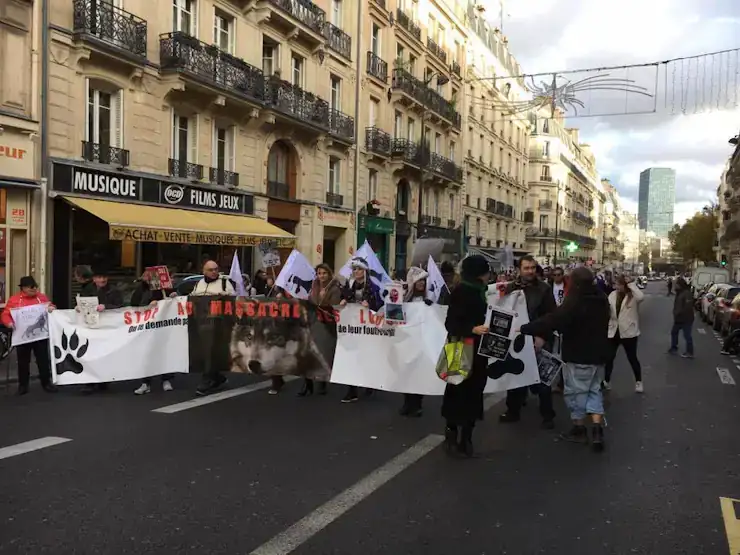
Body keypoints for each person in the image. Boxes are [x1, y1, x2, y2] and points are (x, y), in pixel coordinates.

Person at [520, 267, 611, 452]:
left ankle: (578, 428)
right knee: (594, 390)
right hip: (599, 354)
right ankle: (597, 429)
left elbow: (553, 319)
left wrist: (525, 328)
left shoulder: (575, 302)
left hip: (578, 354)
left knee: (575, 393)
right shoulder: (601, 299)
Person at [499, 255, 558, 429]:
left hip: (537, 339)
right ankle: (513, 411)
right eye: (526, 268)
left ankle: (548, 416)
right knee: (515, 375)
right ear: (519, 270)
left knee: (542, 381)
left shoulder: (544, 289)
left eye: (532, 267)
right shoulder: (511, 288)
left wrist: (542, 337)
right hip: (516, 339)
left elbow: (550, 316)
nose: (530, 271)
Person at [441, 255, 491, 458]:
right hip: (461, 347)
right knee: (456, 388)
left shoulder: (481, 291)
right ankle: (452, 431)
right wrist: (473, 329)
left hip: (478, 351)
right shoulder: (462, 291)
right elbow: (451, 323)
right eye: (487, 271)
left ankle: (467, 436)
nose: (489, 276)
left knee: (474, 392)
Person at [1, 276, 58, 395]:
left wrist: (52, 308)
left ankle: (46, 382)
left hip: (40, 335)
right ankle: (23, 385)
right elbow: (6, 314)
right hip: (22, 336)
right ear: (24, 288)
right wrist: (9, 323)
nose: (34, 289)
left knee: (43, 359)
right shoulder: (14, 300)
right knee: (23, 361)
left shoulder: (41, 297)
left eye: (35, 287)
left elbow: (50, 306)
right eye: (31, 287)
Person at [338, 256, 383, 403]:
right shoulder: (349, 285)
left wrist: (370, 304)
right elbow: (342, 298)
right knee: (351, 359)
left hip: (367, 329)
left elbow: (380, 305)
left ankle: (369, 383)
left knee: (365, 358)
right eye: (354, 269)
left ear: (365, 271)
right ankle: (352, 390)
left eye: (359, 269)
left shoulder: (373, 286)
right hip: (352, 328)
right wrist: (343, 301)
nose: (356, 271)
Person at [298, 263, 343, 397]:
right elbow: (312, 303)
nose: (321, 276)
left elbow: (333, 307)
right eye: (319, 273)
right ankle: (307, 382)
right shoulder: (314, 286)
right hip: (314, 323)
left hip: (327, 325)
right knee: (308, 352)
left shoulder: (334, 288)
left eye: (324, 273)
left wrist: (323, 299)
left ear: (329, 274)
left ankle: (322, 382)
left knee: (323, 353)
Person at [131, 271, 178, 395]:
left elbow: (172, 303)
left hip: (163, 326)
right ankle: (146, 383)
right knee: (147, 354)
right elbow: (133, 307)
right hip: (146, 327)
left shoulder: (163, 289)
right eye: (145, 275)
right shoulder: (140, 290)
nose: (148, 277)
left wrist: (173, 296)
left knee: (164, 352)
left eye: (150, 275)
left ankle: (166, 379)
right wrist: (147, 306)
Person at [193, 260, 236, 396]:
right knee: (205, 352)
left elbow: (233, 301)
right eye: (211, 270)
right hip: (202, 324)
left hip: (218, 325)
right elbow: (193, 299)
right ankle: (218, 378)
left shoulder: (224, 283)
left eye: (216, 269)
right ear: (204, 271)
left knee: (211, 350)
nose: (214, 272)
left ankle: (206, 381)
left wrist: (224, 298)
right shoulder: (199, 284)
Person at [81, 267, 124, 395]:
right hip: (91, 325)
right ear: (94, 279)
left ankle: (104, 380)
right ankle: (89, 382)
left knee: (104, 353)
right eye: (99, 277)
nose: (102, 280)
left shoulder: (113, 290)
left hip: (107, 326)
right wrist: (78, 307)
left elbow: (120, 306)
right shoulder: (88, 289)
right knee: (90, 353)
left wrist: (107, 307)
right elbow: (82, 302)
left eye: (104, 277)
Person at [399, 267, 434, 417]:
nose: (421, 284)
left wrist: (431, 307)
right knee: (406, 373)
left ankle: (417, 404)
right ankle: (407, 402)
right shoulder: (407, 297)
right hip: (408, 339)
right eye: (418, 281)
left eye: (423, 281)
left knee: (419, 374)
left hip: (422, 341)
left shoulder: (430, 297)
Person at [605, 275, 644, 392]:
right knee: (609, 357)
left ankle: (638, 381)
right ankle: (606, 381)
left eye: (619, 284)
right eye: (616, 284)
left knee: (632, 358)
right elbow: (608, 308)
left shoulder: (632, 296)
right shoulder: (612, 295)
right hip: (614, 331)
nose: (617, 287)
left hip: (629, 332)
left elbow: (641, 297)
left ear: (624, 285)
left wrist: (631, 284)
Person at [668, 276, 694, 358]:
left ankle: (690, 352)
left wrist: (679, 313)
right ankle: (673, 348)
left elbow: (688, 306)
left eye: (676, 284)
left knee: (687, 335)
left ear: (680, 285)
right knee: (674, 332)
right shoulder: (680, 292)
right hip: (679, 318)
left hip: (685, 318)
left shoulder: (686, 293)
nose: (675, 286)